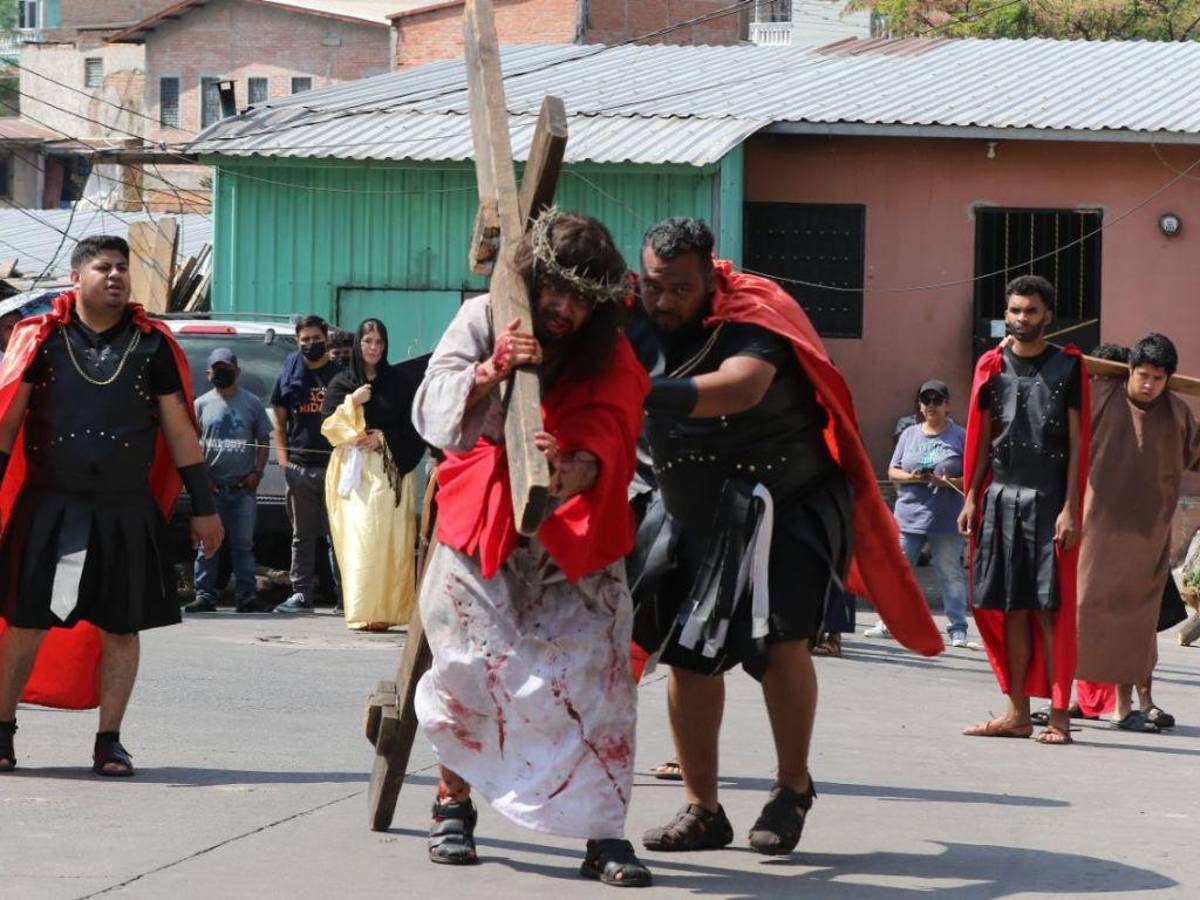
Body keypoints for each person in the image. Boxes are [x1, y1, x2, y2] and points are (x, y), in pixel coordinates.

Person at [627, 217, 941, 858]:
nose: (664, 301)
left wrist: (641, 392)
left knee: (780, 646)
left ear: (709, 277)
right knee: (686, 659)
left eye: (679, 289)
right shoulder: (633, 318)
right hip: (691, 511)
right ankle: (703, 809)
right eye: (655, 286)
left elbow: (740, 388)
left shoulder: (755, 311)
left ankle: (792, 789)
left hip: (786, 504)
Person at [411, 210, 652, 887]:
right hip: (483, 517)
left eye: (581, 299)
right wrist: (490, 372)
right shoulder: (484, 317)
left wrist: (571, 470)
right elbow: (434, 410)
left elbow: (613, 431)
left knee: (600, 677)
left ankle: (603, 834)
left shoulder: (612, 351)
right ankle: (451, 806)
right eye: (556, 290)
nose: (564, 309)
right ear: (537, 278)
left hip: (572, 533)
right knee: (465, 664)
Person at [0, 235, 223, 775]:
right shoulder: (42, 340)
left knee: (121, 627)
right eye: (104, 267)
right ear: (77, 277)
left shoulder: (151, 346)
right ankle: (2, 733)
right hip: (50, 504)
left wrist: (204, 505)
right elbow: (6, 425)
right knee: (27, 620)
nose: (117, 276)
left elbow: (180, 432)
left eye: (123, 268)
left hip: (125, 510)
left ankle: (110, 740)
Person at [959, 274, 1088, 746]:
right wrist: (972, 494)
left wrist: (1072, 507)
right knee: (1011, 608)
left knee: (1049, 610)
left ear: (1047, 316)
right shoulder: (991, 367)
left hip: (1050, 501)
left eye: (1030, 311)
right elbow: (983, 437)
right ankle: (1016, 712)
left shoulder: (1069, 368)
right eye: (1014, 310)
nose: (1021, 319)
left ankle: (1058, 715)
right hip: (1000, 498)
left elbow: (1078, 445)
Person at [1072, 333, 1198, 733]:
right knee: (1083, 613)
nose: (1149, 384)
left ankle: (1126, 708)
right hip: (1096, 530)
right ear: (1129, 370)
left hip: (1148, 536)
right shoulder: (1103, 396)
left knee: (1137, 623)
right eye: (1143, 375)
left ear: (1168, 379)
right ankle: (1071, 700)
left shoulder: (1178, 414)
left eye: (1159, 378)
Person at [321, 319, 426, 631]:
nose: (373, 348)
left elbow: (414, 425)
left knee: (387, 539)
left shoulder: (400, 383)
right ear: (358, 344)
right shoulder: (342, 383)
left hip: (388, 470)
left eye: (379, 343)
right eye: (368, 342)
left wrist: (384, 438)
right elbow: (329, 427)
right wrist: (352, 403)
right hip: (353, 471)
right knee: (359, 538)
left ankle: (387, 609)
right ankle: (362, 608)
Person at [876, 379, 969, 646]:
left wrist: (948, 481)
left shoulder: (960, 436)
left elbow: (973, 477)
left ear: (947, 405)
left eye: (937, 401)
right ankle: (888, 622)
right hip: (910, 514)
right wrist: (912, 477)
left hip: (946, 515)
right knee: (899, 569)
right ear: (920, 405)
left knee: (949, 571)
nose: (931, 406)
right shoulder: (909, 434)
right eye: (926, 401)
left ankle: (958, 628)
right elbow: (892, 470)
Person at [187, 347, 272, 613]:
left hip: (242, 489)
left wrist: (257, 473)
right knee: (207, 545)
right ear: (208, 372)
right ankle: (205, 595)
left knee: (243, 546)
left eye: (227, 369)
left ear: (237, 371)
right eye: (217, 368)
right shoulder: (200, 405)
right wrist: (202, 481)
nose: (222, 373)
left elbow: (263, 440)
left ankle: (246, 598)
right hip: (212, 489)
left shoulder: (252, 403)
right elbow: (189, 445)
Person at [270, 315, 342, 614]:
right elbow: (279, 421)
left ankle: (346, 596)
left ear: (325, 339)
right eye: (305, 341)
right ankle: (301, 594)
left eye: (316, 339)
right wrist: (285, 463)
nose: (311, 344)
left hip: (335, 469)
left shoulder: (340, 376)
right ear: (298, 343)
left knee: (338, 534)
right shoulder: (288, 376)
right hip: (299, 468)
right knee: (302, 536)